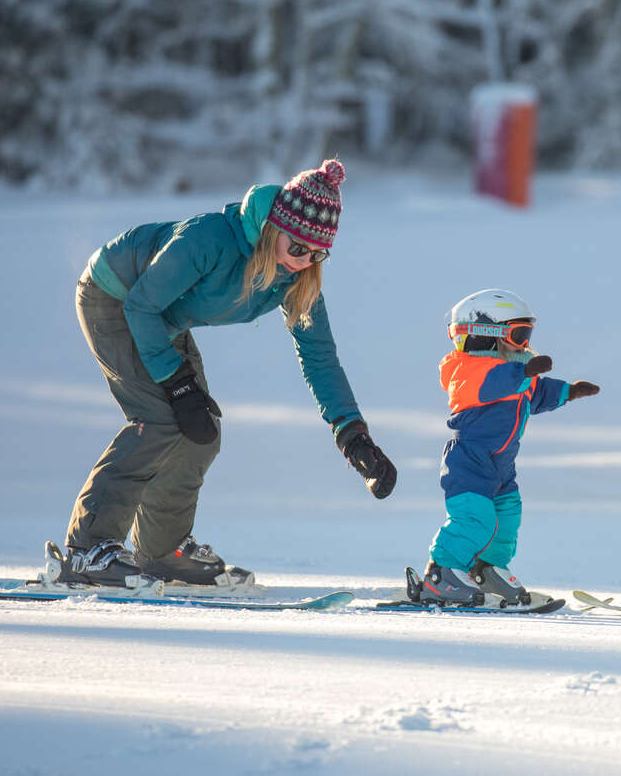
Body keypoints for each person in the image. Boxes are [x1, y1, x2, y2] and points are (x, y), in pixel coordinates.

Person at [59, 158, 397, 588]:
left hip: (162, 318)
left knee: (202, 431)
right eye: (297, 248)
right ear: (275, 228)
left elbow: (319, 356)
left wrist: (352, 433)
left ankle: (162, 551)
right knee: (161, 418)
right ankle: (87, 549)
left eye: (317, 254)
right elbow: (141, 304)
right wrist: (176, 383)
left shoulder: (295, 277)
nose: (304, 261)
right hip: (114, 296)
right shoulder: (210, 238)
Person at [411, 288, 599, 606]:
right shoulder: (465, 371)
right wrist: (523, 370)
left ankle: (485, 569)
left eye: (527, 335)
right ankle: (439, 576)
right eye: (519, 335)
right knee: (475, 519)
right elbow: (495, 382)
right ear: (486, 334)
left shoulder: (516, 375)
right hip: (469, 460)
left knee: (508, 517)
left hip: (501, 465)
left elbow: (536, 393)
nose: (524, 344)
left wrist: (568, 391)